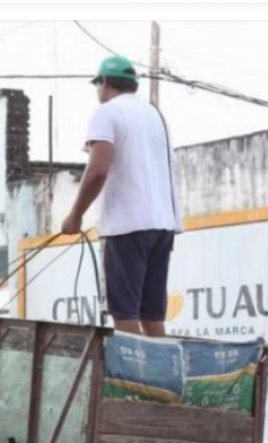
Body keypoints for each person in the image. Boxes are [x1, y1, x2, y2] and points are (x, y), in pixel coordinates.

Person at [61, 54, 183, 337]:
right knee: (152, 314)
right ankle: (158, 378)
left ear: (103, 83)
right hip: (163, 225)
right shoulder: (155, 115)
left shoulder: (106, 113)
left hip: (127, 226)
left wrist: (75, 216)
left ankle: (133, 380)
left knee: (125, 312)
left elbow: (97, 171)